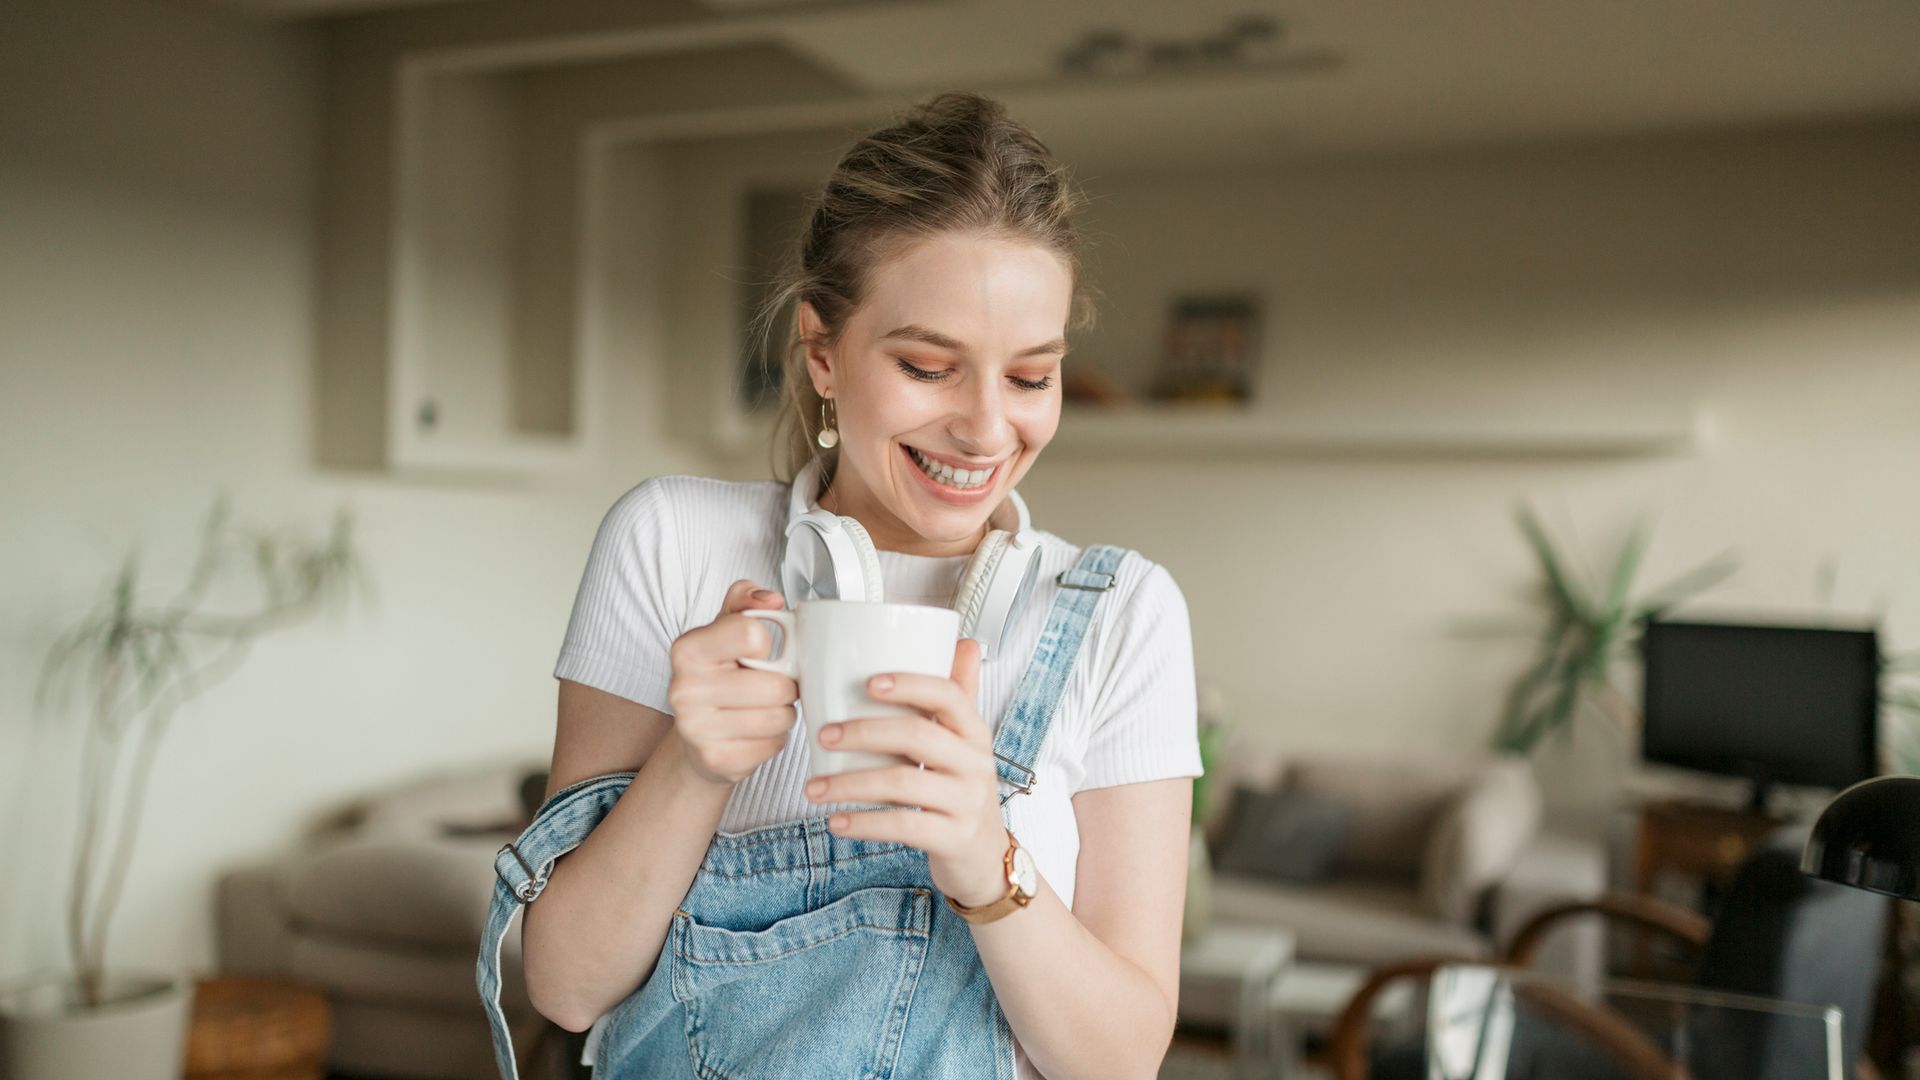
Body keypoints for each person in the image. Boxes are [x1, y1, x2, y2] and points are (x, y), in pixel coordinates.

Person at [477, 91, 1202, 1080]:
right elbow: (565, 986)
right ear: (824, 352)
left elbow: (1122, 1060)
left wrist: (986, 859)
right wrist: (693, 767)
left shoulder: (1124, 614)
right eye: (928, 366)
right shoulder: (675, 543)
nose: (988, 430)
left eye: (1031, 378)